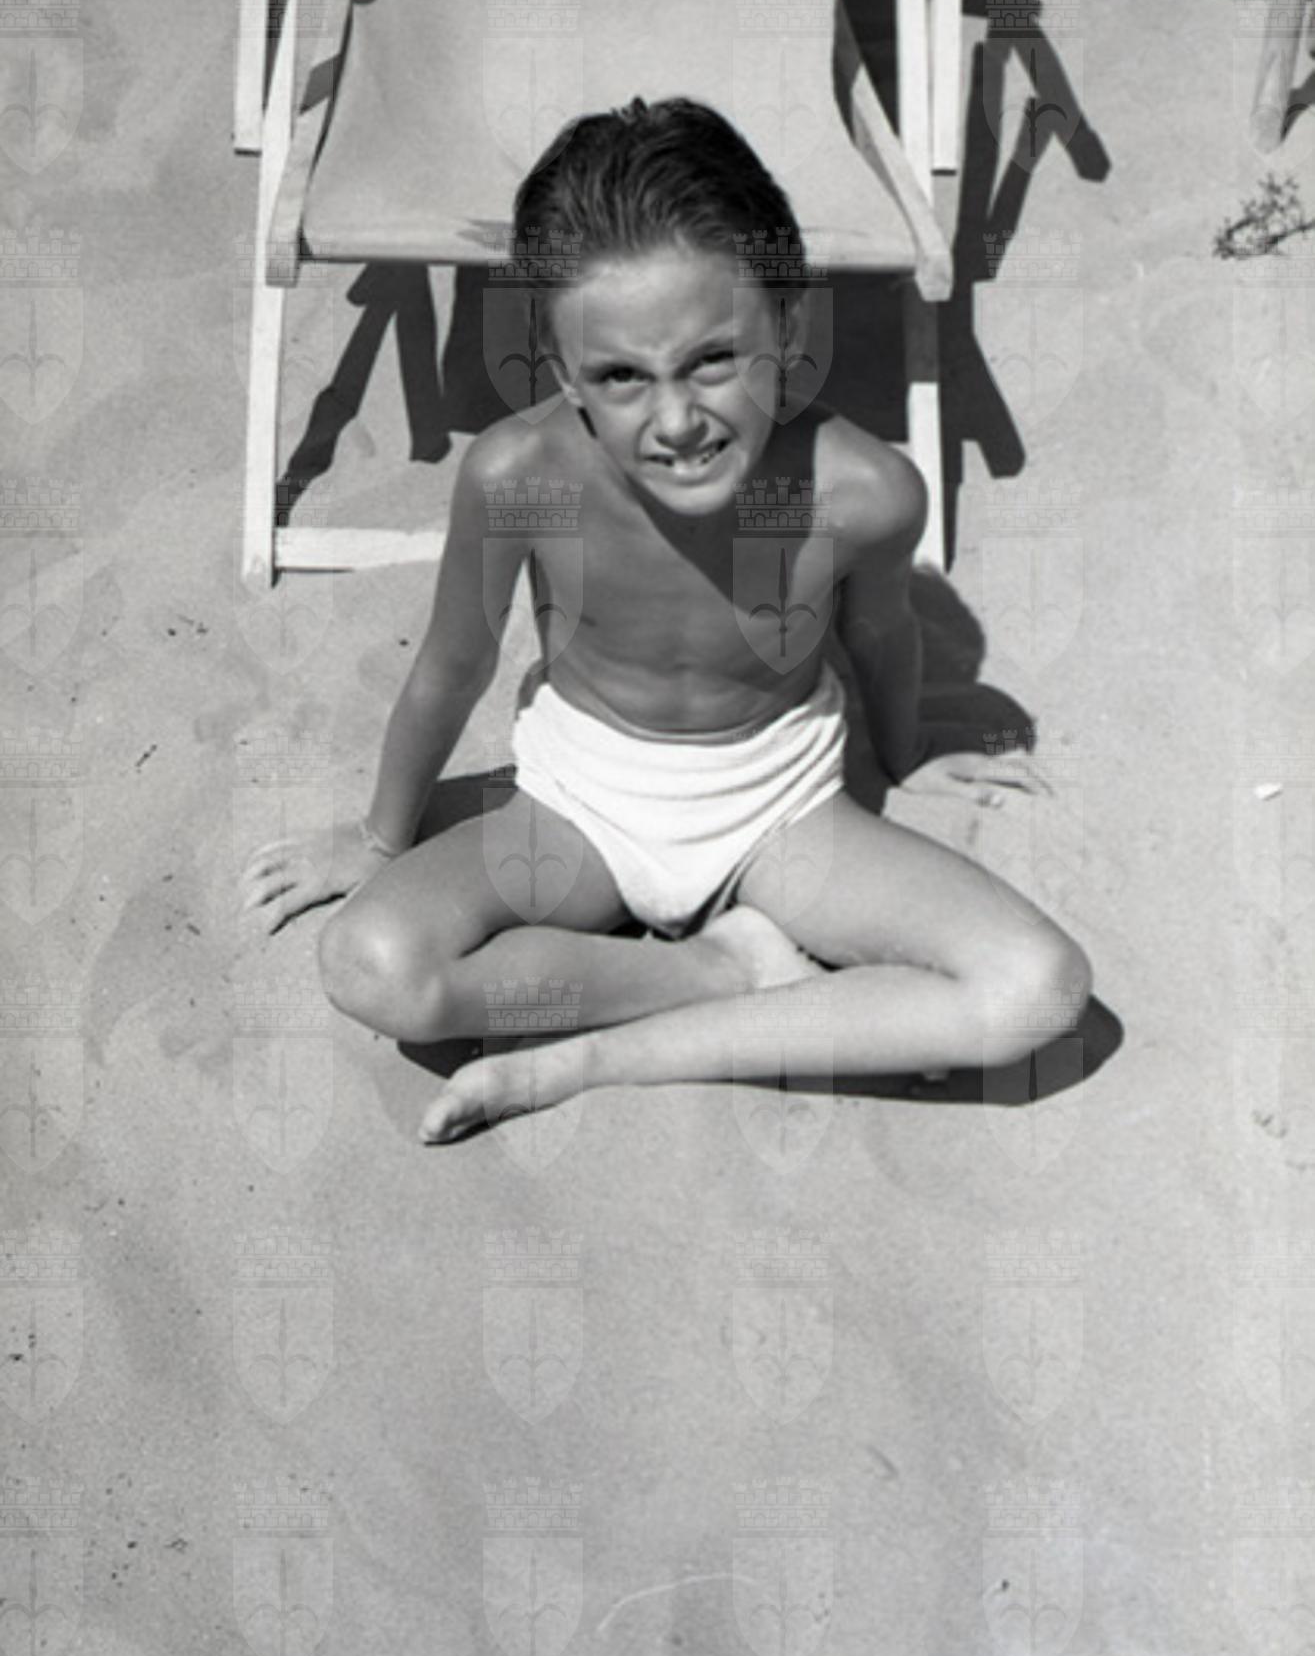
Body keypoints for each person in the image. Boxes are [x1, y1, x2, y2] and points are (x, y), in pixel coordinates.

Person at [240, 98, 1091, 1144]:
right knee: (373, 965)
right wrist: (381, 835)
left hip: (783, 817)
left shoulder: (859, 491)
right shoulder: (522, 475)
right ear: (564, 374)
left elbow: (881, 632)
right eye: (620, 377)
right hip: (575, 808)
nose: (677, 419)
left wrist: (906, 751)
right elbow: (452, 666)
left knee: (1038, 987)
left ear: (787, 325)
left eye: (713, 359)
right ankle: (718, 971)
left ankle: (600, 1054)